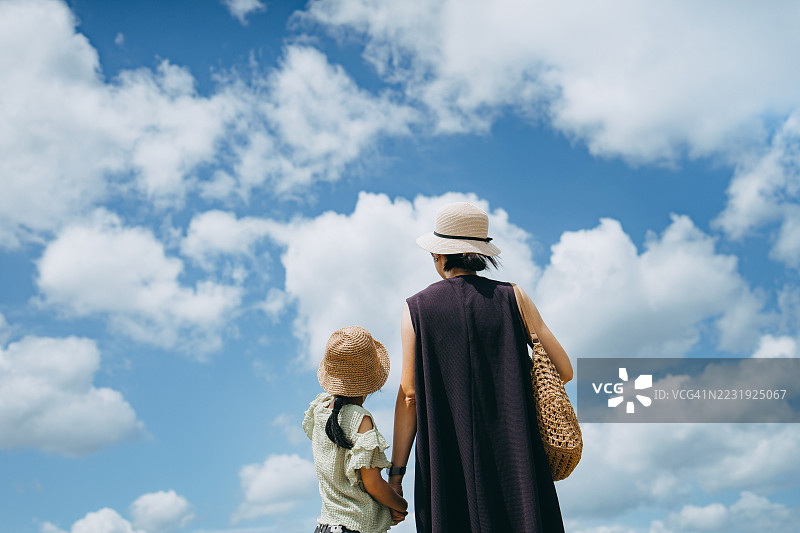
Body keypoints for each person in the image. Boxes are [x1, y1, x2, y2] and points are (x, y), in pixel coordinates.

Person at [388, 202, 573, 532]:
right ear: (480, 253)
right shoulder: (513, 297)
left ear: (439, 255)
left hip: (448, 466)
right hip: (516, 462)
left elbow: (409, 397)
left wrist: (396, 474)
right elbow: (564, 370)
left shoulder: (415, 309)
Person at [304, 326, 409, 533]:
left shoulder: (318, 409)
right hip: (355, 528)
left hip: (324, 526)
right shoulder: (361, 420)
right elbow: (374, 485)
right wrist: (400, 506)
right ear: (370, 381)